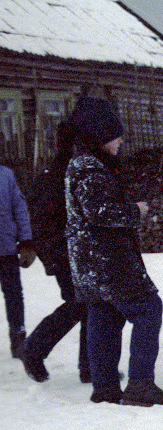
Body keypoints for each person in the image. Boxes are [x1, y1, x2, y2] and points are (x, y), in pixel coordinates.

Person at [65, 96, 163, 406]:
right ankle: (140, 385)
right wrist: (134, 211)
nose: (120, 141)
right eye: (115, 135)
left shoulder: (82, 163)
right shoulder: (89, 167)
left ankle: (105, 388)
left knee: (105, 315)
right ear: (101, 136)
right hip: (107, 260)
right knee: (148, 308)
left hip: (90, 262)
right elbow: (98, 212)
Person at [20, 123, 90, 383]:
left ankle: (90, 366)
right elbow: (42, 221)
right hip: (63, 252)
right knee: (81, 304)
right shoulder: (57, 176)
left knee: (86, 305)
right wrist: (54, 255)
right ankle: (34, 349)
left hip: (72, 251)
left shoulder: (67, 171)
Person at [0, 162, 33, 360]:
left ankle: (18, 338)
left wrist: (26, 241)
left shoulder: (6, 175)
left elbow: (19, 207)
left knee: (13, 294)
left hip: (6, 248)